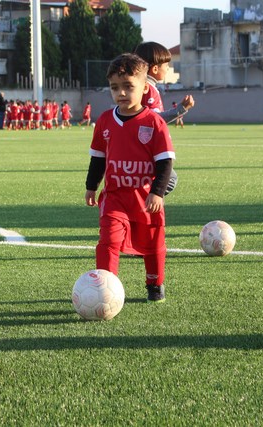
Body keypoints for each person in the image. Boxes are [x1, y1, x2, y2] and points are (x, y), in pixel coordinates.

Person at [85, 53, 175, 303]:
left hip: (146, 199)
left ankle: (154, 284)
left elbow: (165, 162)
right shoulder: (105, 121)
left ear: (145, 87)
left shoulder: (154, 123)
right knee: (108, 241)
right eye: (115, 88)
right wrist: (91, 187)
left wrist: (157, 192)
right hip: (115, 197)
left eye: (128, 87)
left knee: (153, 245)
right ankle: (105, 287)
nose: (121, 93)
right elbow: (98, 159)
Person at [134, 41, 193, 195]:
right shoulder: (148, 89)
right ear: (155, 68)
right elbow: (153, 118)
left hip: (144, 145)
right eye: (167, 65)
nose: (168, 69)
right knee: (169, 179)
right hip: (148, 147)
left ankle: (141, 202)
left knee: (158, 179)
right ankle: (141, 202)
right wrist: (180, 109)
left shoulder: (144, 86)